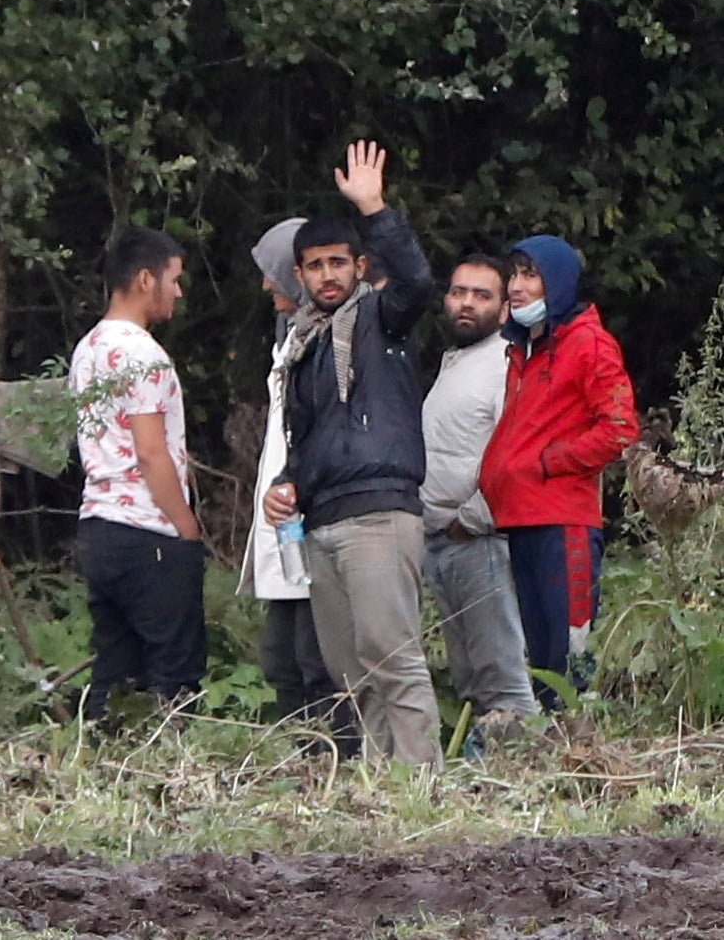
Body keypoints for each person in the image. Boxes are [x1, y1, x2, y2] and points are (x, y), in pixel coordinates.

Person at [261, 141, 443, 768]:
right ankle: (381, 789)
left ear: (361, 265)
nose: (327, 276)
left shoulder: (382, 320)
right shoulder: (303, 343)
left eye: (339, 262)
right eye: (314, 266)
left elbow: (419, 282)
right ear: (300, 274)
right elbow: (305, 438)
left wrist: (375, 207)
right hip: (323, 520)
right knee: (351, 673)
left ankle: (423, 792)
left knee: (394, 658)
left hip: (379, 512)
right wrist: (284, 484)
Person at [479, 235, 638, 708]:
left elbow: (620, 427)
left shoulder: (588, 343)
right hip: (523, 517)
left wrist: (552, 463)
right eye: (514, 275)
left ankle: (582, 758)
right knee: (543, 660)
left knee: (569, 658)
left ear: (558, 283)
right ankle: (552, 759)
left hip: (562, 520)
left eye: (531, 275)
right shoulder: (527, 348)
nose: (516, 287)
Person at [70, 226, 205, 721]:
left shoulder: (88, 348)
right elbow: (151, 452)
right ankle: (174, 773)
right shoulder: (143, 354)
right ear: (146, 279)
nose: (178, 291)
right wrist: (185, 527)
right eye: (174, 279)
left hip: (98, 525)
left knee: (116, 667)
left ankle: (106, 770)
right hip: (148, 529)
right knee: (174, 671)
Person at [238, 218, 350, 746]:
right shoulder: (293, 335)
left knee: (318, 659)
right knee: (281, 659)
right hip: (285, 522)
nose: (266, 286)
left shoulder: (337, 337)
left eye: (271, 272)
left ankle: (333, 760)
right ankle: (295, 763)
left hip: (317, 515)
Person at [421, 256, 539, 730]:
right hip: (441, 539)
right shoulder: (458, 359)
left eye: (481, 294)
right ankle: (485, 782)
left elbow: (516, 458)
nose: (466, 303)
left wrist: (470, 519)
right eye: (457, 292)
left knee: (502, 677)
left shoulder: (506, 364)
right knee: (470, 674)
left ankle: (530, 775)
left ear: (505, 309)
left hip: (480, 539)